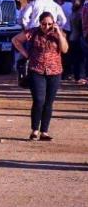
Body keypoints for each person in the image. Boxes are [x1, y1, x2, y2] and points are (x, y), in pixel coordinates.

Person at [12, 12, 68, 141]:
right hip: (36, 70)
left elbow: (65, 50)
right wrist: (26, 54)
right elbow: (15, 40)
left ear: (53, 23)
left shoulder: (58, 33)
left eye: (49, 24)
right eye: (44, 23)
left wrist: (59, 34)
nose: (46, 26)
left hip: (55, 71)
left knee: (48, 102)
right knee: (38, 100)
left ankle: (44, 131)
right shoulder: (33, 32)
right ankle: (35, 130)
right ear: (40, 23)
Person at [70, 0, 85, 84]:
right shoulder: (80, 14)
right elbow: (81, 27)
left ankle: (77, 76)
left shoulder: (73, 14)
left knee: (75, 59)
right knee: (81, 59)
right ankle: (80, 76)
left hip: (72, 37)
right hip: (79, 38)